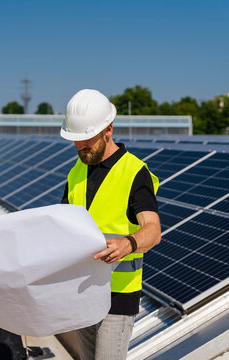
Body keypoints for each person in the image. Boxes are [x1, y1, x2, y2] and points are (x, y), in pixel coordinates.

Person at [60, 89, 161, 360]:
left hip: (118, 296)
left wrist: (129, 243)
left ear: (108, 129)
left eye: (87, 138)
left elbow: (153, 229)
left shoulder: (134, 172)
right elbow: (61, 227)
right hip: (82, 291)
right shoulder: (76, 172)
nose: (81, 146)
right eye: (76, 140)